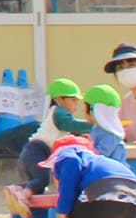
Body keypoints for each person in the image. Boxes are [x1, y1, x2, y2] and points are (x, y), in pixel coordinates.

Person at [9, 78, 95, 211]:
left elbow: (68, 132)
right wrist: (94, 125)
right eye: (73, 100)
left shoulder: (57, 115)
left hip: (31, 151)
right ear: (59, 99)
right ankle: (22, 197)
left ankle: (16, 189)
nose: (76, 104)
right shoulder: (59, 113)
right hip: (38, 151)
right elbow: (71, 125)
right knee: (42, 181)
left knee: (38, 185)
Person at [82, 83, 130, 161]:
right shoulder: (98, 128)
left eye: (85, 108)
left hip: (113, 171)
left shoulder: (110, 133)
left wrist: (85, 153)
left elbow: (102, 154)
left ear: (94, 110)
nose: (83, 110)